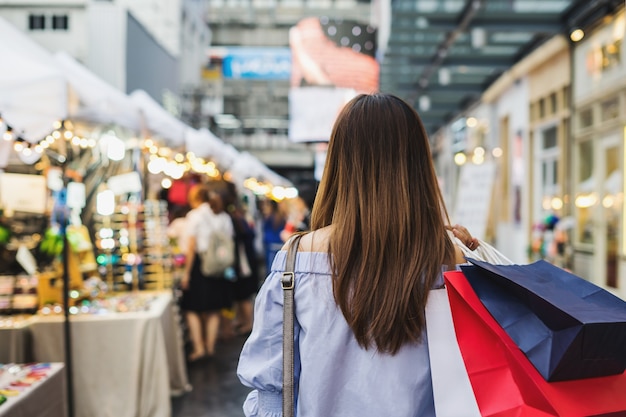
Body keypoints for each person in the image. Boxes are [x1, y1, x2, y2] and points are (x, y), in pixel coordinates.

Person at [237, 93, 478, 416]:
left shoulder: (298, 258)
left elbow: (271, 388)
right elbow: (473, 377)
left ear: (339, 162)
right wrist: (473, 261)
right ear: (417, 163)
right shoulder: (448, 259)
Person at [180, 183, 235, 361]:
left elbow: (191, 246)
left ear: (195, 198)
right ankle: (211, 347)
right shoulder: (223, 216)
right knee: (214, 309)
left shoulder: (195, 216)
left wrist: (186, 273)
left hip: (199, 265)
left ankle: (199, 348)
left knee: (192, 309)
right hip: (219, 266)